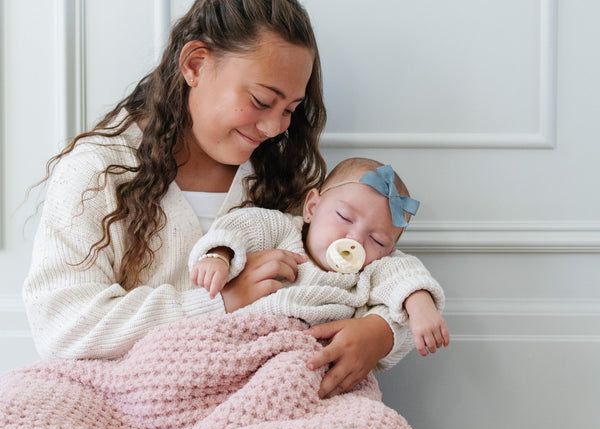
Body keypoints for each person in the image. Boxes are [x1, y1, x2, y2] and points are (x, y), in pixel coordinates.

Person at [21, 0, 432, 398]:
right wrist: (222, 301)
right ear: (195, 64)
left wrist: (382, 333)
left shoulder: (284, 179)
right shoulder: (99, 171)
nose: (274, 126)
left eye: (290, 109)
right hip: (132, 395)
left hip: (263, 394)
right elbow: (62, 327)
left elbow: (367, 277)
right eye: (260, 101)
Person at [189, 157, 449, 367]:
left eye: (378, 240)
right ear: (312, 207)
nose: (355, 239)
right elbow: (239, 227)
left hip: (310, 364)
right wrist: (219, 255)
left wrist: (420, 303)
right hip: (245, 344)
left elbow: (403, 273)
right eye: (344, 217)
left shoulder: (369, 272)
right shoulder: (283, 231)